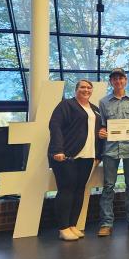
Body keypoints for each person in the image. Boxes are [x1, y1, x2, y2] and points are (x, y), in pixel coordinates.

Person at [48, 79, 102, 241]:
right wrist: (58, 150)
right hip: (67, 156)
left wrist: (98, 155)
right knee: (66, 189)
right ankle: (63, 228)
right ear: (76, 89)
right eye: (82, 87)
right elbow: (55, 125)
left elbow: (98, 132)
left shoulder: (95, 109)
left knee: (79, 190)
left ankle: (72, 225)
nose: (86, 90)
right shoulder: (66, 105)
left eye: (89, 88)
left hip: (88, 157)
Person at [97, 68, 129, 236]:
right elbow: (103, 125)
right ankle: (106, 224)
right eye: (114, 79)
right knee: (108, 187)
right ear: (111, 81)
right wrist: (102, 132)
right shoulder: (103, 102)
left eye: (121, 78)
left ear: (125, 80)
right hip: (110, 150)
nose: (118, 81)